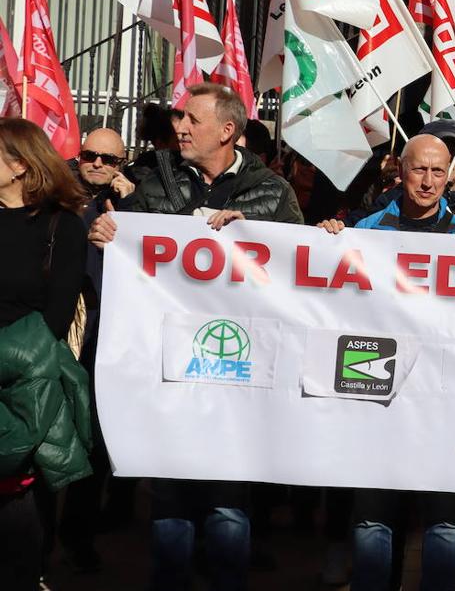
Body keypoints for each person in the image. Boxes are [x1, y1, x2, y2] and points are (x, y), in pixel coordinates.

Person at [87, 83, 303, 591]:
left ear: (228, 131)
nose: (179, 126)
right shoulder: (154, 181)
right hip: (169, 367)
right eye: (180, 117)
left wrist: (261, 239)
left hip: (239, 371)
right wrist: (107, 237)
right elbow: (127, 241)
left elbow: (300, 274)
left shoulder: (272, 192)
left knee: (229, 501)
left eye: (192, 120)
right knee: (171, 496)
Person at [316, 134, 455, 591]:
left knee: (445, 523)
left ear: (450, 174)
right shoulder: (366, 229)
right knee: (373, 519)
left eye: (437, 171)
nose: (428, 181)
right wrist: (329, 240)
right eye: (419, 170)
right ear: (401, 171)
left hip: (446, 402)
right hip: (378, 396)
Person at [0, 118, 91, 591]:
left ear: (19, 164)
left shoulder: (62, 226)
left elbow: (56, 317)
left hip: (27, 383)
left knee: (19, 513)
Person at [59, 127, 136, 572]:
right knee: (54, 441)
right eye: (91, 154)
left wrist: (132, 206)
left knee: (93, 446)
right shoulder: (55, 194)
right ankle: (41, 546)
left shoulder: (127, 201)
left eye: (110, 159)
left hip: (110, 338)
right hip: (64, 333)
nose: (99, 164)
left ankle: (78, 540)